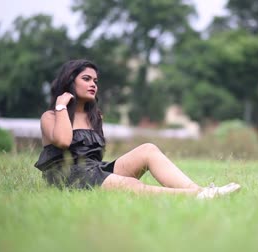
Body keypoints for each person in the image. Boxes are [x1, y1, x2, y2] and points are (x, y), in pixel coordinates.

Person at [34, 59, 241, 199]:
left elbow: (94, 159)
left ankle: (198, 191)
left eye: (95, 81)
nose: (93, 84)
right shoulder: (51, 116)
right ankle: (198, 196)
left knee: (148, 149)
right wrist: (61, 105)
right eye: (86, 79)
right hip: (69, 178)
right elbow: (62, 141)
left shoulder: (94, 117)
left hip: (94, 171)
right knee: (131, 186)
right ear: (70, 82)